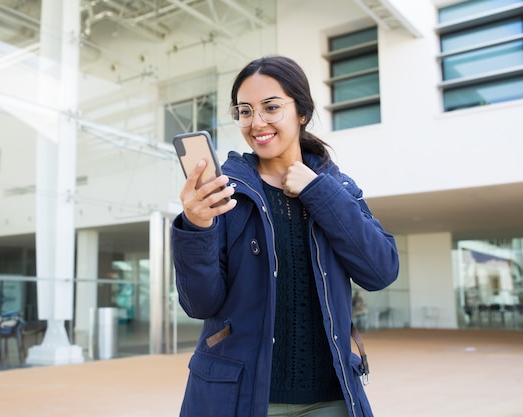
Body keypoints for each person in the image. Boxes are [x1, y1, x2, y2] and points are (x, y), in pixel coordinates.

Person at [171, 55, 399, 417]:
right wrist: (196, 228)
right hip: (242, 398)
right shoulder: (228, 194)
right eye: (245, 111)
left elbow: (381, 270)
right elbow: (200, 304)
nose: (256, 122)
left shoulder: (337, 187)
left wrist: (318, 192)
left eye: (271, 107)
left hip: (332, 397)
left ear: (302, 112)